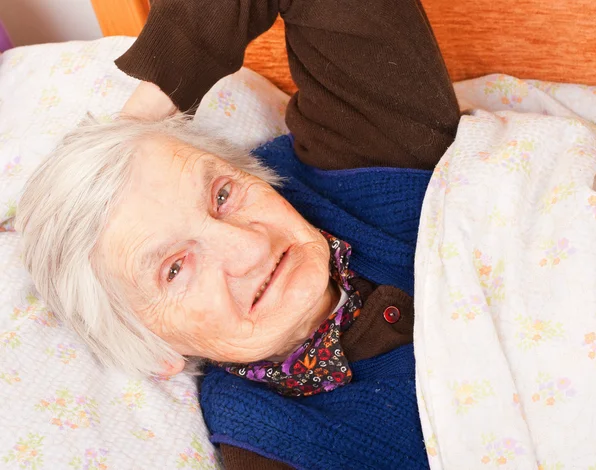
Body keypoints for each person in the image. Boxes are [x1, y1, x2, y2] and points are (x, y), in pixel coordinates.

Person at [16, 0, 460, 468]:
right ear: (157, 351)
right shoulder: (274, 443)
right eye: (175, 268)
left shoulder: (360, 159)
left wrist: (143, 119)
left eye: (223, 195)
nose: (250, 247)